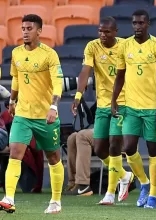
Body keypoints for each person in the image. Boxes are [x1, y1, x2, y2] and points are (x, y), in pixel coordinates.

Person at [0, 14, 65, 214]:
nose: (25, 32)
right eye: (23, 28)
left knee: (53, 157)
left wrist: (54, 107)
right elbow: (17, 80)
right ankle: (9, 198)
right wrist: (12, 101)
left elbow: (58, 83)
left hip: (45, 115)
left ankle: (55, 201)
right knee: (15, 153)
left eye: (29, 29)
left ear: (39, 31)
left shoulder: (49, 55)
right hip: (23, 114)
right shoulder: (17, 53)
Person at [71, 17, 134, 203]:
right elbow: (85, 71)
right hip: (103, 104)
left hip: (123, 103)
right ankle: (124, 175)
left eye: (106, 32)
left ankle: (110, 193)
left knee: (114, 145)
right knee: (99, 148)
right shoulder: (92, 46)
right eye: (100, 31)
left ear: (115, 31)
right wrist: (78, 95)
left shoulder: (125, 46)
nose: (102, 35)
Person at [111, 9, 156, 209]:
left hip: (152, 108)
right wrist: (114, 99)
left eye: (141, 23)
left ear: (148, 24)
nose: (137, 27)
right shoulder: (124, 46)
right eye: (134, 23)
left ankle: (153, 195)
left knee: (154, 152)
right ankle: (144, 182)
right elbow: (119, 76)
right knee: (128, 148)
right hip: (131, 108)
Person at [64, 128, 94, 196]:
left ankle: (83, 185)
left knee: (83, 135)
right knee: (72, 137)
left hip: (115, 130)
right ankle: (74, 183)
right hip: (101, 126)